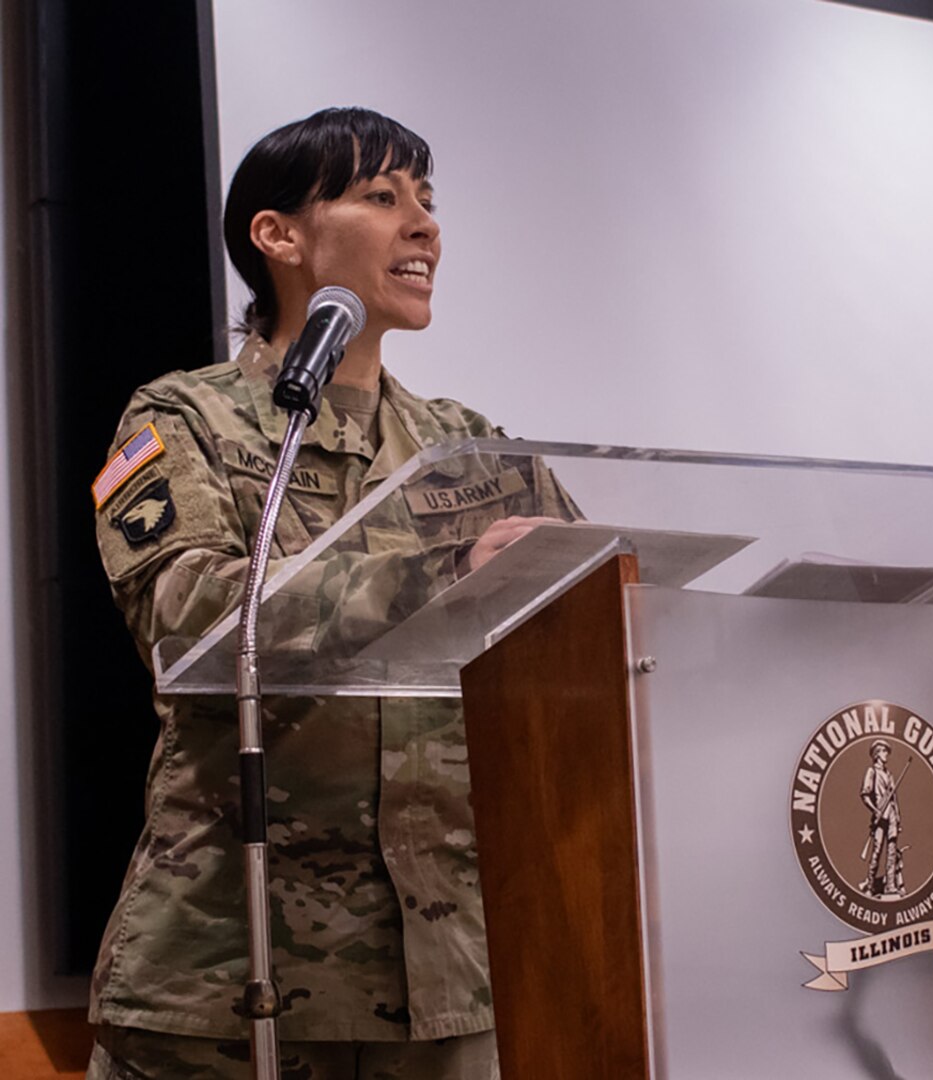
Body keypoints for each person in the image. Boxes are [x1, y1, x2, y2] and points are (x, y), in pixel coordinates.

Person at [86, 106, 575, 1080]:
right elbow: (191, 618)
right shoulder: (183, 417)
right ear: (280, 236)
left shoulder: (465, 448)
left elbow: (583, 625)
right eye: (383, 196)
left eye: (429, 203)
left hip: (447, 977)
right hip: (222, 970)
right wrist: (438, 571)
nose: (426, 227)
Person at [857, 738, 904, 898]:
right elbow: (865, 794)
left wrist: (897, 818)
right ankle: (870, 885)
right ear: (877, 754)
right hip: (880, 814)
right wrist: (875, 810)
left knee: (891, 852)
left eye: (886, 751)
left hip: (890, 814)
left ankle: (890, 885)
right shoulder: (872, 772)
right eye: (883, 751)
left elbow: (894, 798)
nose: (886, 755)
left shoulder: (889, 775)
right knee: (876, 851)